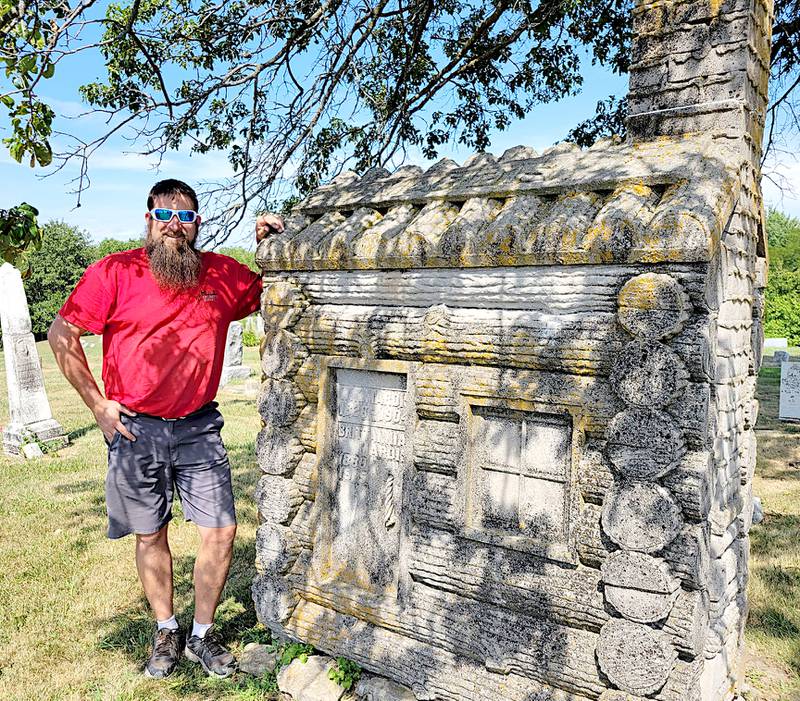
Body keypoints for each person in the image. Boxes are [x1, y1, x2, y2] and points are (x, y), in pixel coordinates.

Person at [47, 179, 284, 679]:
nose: (175, 225)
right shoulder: (115, 272)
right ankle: (166, 629)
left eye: (186, 217)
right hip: (135, 430)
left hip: (199, 427)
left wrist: (269, 247)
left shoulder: (222, 274)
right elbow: (62, 331)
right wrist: (98, 406)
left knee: (221, 532)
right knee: (149, 535)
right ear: (148, 220)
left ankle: (199, 635)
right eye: (164, 215)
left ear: (198, 224)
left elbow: (272, 291)